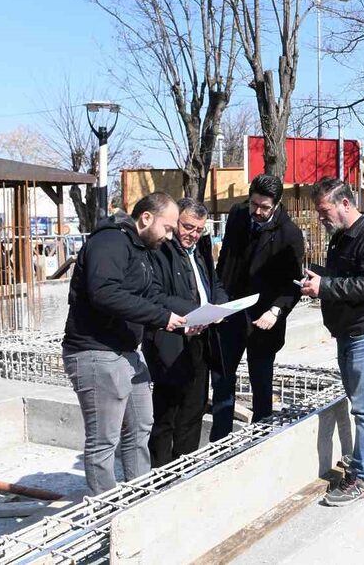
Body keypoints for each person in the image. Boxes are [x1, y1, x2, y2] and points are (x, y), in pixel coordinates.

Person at [62, 192, 186, 495]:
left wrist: (189, 317)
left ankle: (139, 498)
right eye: (168, 228)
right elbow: (105, 293)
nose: (170, 237)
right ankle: (107, 510)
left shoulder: (140, 250)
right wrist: (161, 316)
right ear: (146, 218)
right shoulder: (110, 242)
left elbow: (151, 297)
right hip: (96, 352)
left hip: (127, 353)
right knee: (104, 440)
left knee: (141, 428)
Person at [301, 177, 364, 507]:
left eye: (324, 210)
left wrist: (324, 287)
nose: (320, 218)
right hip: (351, 331)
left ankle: (362, 477)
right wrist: (317, 277)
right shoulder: (341, 237)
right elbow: (343, 278)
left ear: (345, 203)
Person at [212, 174, 305, 440]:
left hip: (264, 320)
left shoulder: (290, 234)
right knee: (222, 381)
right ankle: (220, 441)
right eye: (254, 204)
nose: (258, 211)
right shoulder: (238, 215)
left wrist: (275, 311)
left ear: (276, 204)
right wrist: (219, 301)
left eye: (265, 207)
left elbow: (293, 284)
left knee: (261, 384)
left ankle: (259, 439)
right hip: (230, 312)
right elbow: (225, 262)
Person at [143, 198, 228, 467]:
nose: (192, 234)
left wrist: (221, 305)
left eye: (199, 229)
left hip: (202, 339)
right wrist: (193, 311)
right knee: (166, 412)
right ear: (175, 221)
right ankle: (160, 469)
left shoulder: (201, 246)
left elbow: (212, 283)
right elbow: (156, 294)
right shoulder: (161, 247)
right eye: (188, 227)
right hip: (171, 340)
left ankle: (185, 465)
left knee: (194, 408)